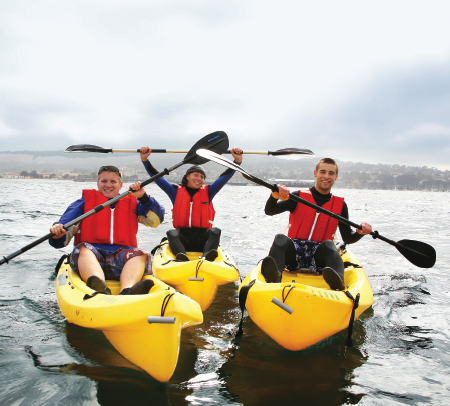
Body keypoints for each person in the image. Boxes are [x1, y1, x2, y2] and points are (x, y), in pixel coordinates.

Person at [49, 165, 165, 295]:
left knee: (141, 254)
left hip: (120, 260)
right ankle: (100, 287)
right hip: (91, 258)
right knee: (83, 249)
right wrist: (57, 232)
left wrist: (144, 197)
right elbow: (63, 231)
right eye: (104, 181)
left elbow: (156, 220)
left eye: (113, 182)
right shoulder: (83, 203)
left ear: (120, 185)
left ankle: (128, 290)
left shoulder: (135, 203)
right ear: (98, 183)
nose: (108, 185)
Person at [261, 157, 372, 290]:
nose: (326, 176)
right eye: (323, 172)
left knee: (330, 245)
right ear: (315, 173)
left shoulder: (340, 205)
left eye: (331, 173)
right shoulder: (298, 196)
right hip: (294, 252)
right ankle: (272, 281)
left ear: (336, 177)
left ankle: (338, 284)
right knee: (280, 238)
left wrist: (361, 233)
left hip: (320, 256)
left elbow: (348, 237)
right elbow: (270, 211)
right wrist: (274, 197)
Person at [140, 147, 243, 262]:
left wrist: (237, 162)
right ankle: (181, 257)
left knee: (215, 231)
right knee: (171, 233)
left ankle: (207, 257)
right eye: (196, 175)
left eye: (202, 177)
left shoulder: (209, 192)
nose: (199, 179)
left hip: (203, 240)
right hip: (183, 239)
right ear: (187, 176)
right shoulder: (175, 192)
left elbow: (224, 177)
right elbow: (158, 178)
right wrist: (145, 161)